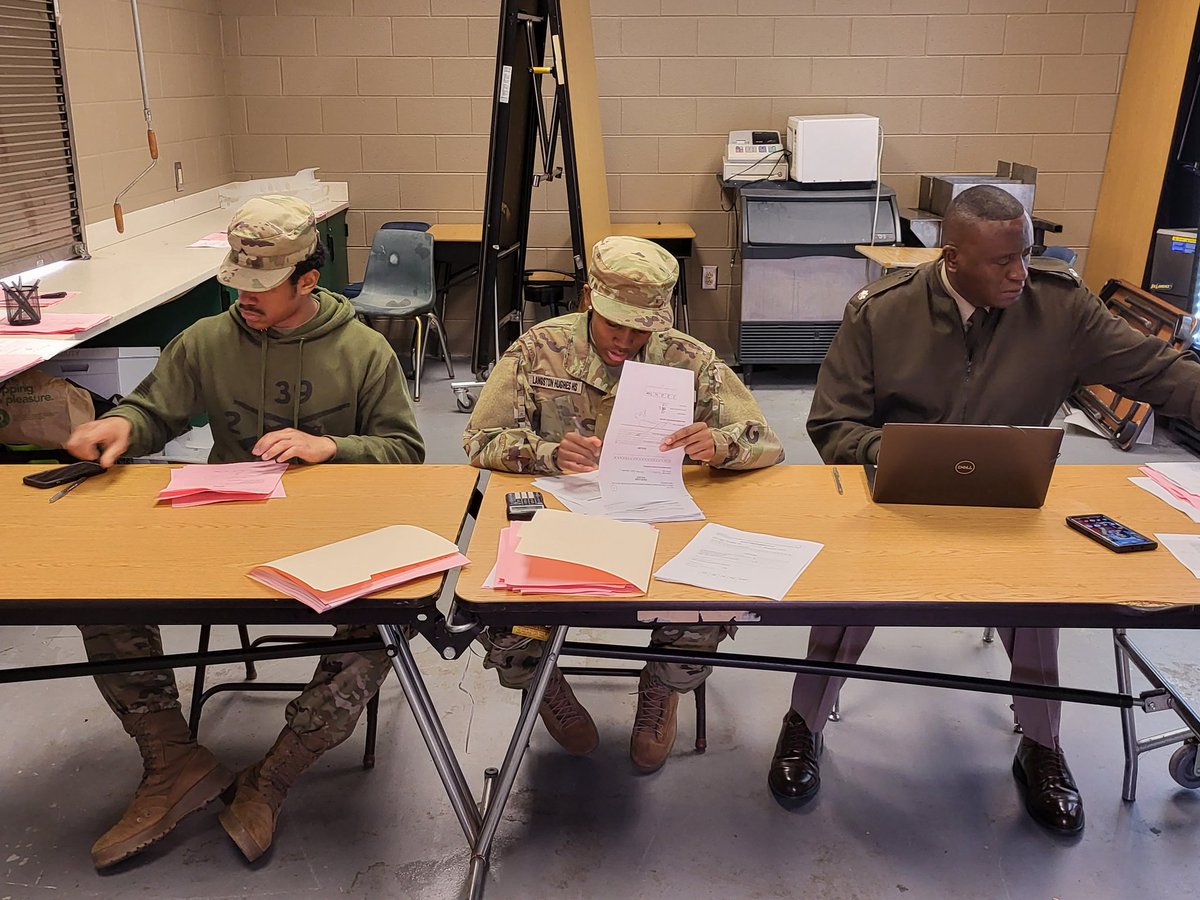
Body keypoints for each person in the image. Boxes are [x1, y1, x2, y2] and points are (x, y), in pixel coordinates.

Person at [768, 184, 1200, 835]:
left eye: (1026, 253)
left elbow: (1158, 372)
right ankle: (804, 723)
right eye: (1003, 261)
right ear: (953, 257)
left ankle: (1041, 744)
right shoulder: (881, 313)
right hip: (898, 496)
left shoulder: (1061, 309)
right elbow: (832, 424)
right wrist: (900, 453)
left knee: (1039, 602)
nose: (1020, 272)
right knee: (846, 593)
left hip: (1006, 502)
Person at [64, 195, 425, 868]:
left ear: (308, 280)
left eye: (262, 284)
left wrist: (332, 448)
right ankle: (172, 759)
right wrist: (121, 425)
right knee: (98, 593)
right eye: (237, 279)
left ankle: (273, 774)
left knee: (386, 617)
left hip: (332, 531)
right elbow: (154, 411)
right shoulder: (207, 340)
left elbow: (405, 452)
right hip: (226, 521)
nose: (243, 296)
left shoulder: (363, 351)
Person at [463, 235, 784, 773]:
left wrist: (721, 444)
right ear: (590, 298)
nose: (627, 340)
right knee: (498, 605)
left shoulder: (689, 360)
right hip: (563, 522)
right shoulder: (538, 349)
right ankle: (543, 680)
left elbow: (766, 441)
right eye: (616, 325)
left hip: (659, 519)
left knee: (707, 602)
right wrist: (546, 453)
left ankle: (663, 684)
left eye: (642, 329)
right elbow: (480, 440)